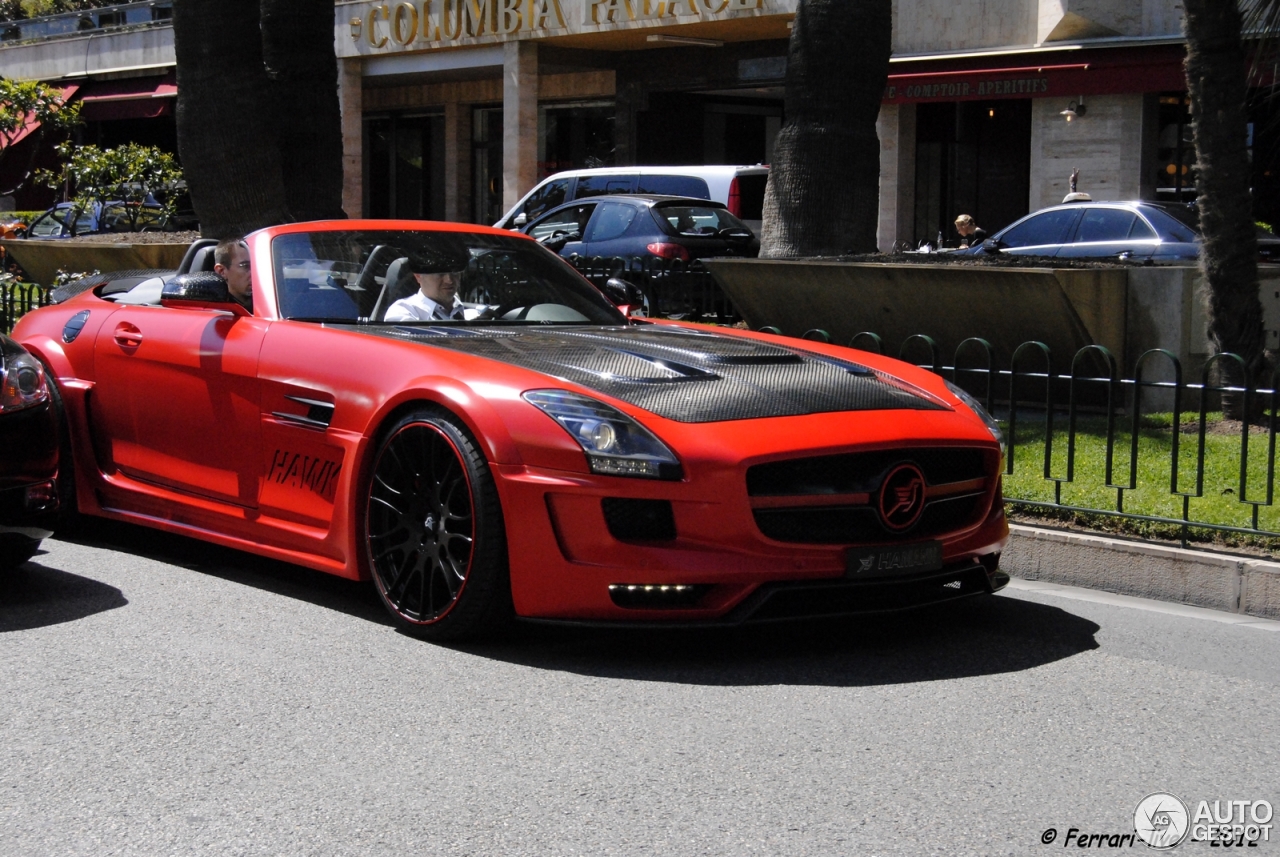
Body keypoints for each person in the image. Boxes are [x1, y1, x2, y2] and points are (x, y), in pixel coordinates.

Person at [384, 249, 474, 322]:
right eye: (440, 274)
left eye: (454, 273)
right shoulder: (403, 311)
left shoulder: (472, 314)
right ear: (418, 276)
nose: (449, 280)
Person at [213, 239, 252, 312]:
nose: (255, 273)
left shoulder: (274, 301)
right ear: (222, 271)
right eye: (246, 266)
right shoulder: (218, 314)